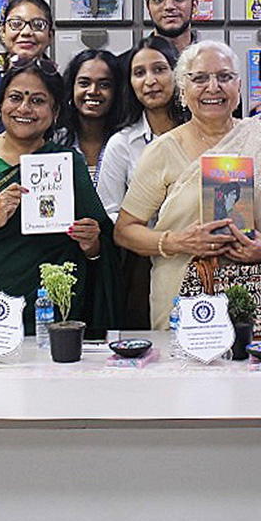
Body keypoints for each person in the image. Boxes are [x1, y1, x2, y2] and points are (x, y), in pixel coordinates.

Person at [114, 40, 261, 330]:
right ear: (183, 89)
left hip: (257, 293)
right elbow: (125, 231)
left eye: (224, 77)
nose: (213, 87)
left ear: (239, 85)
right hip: (181, 294)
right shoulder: (163, 150)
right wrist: (178, 241)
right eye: (199, 78)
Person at [0, 59, 122, 334]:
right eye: (15, 98)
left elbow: (102, 244)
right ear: (1, 104)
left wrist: (92, 245)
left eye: (38, 100)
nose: (24, 109)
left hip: (50, 312)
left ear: (54, 111)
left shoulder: (66, 162)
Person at [97, 36, 184, 329]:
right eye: (139, 73)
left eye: (159, 69)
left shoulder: (201, 134)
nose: (150, 81)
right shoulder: (122, 144)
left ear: (179, 73)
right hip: (141, 262)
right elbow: (109, 212)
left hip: (204, 255)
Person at [0, 0, 55, 139]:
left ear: (50, 35)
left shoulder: (63, 91)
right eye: (16, 24)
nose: (26, 32)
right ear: (2, 33)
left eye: (38, 25)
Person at [54, 48, 121, 183]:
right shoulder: (56, 141)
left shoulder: (127, 142)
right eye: (84, 83)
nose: (93, 91)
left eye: (104, 84)